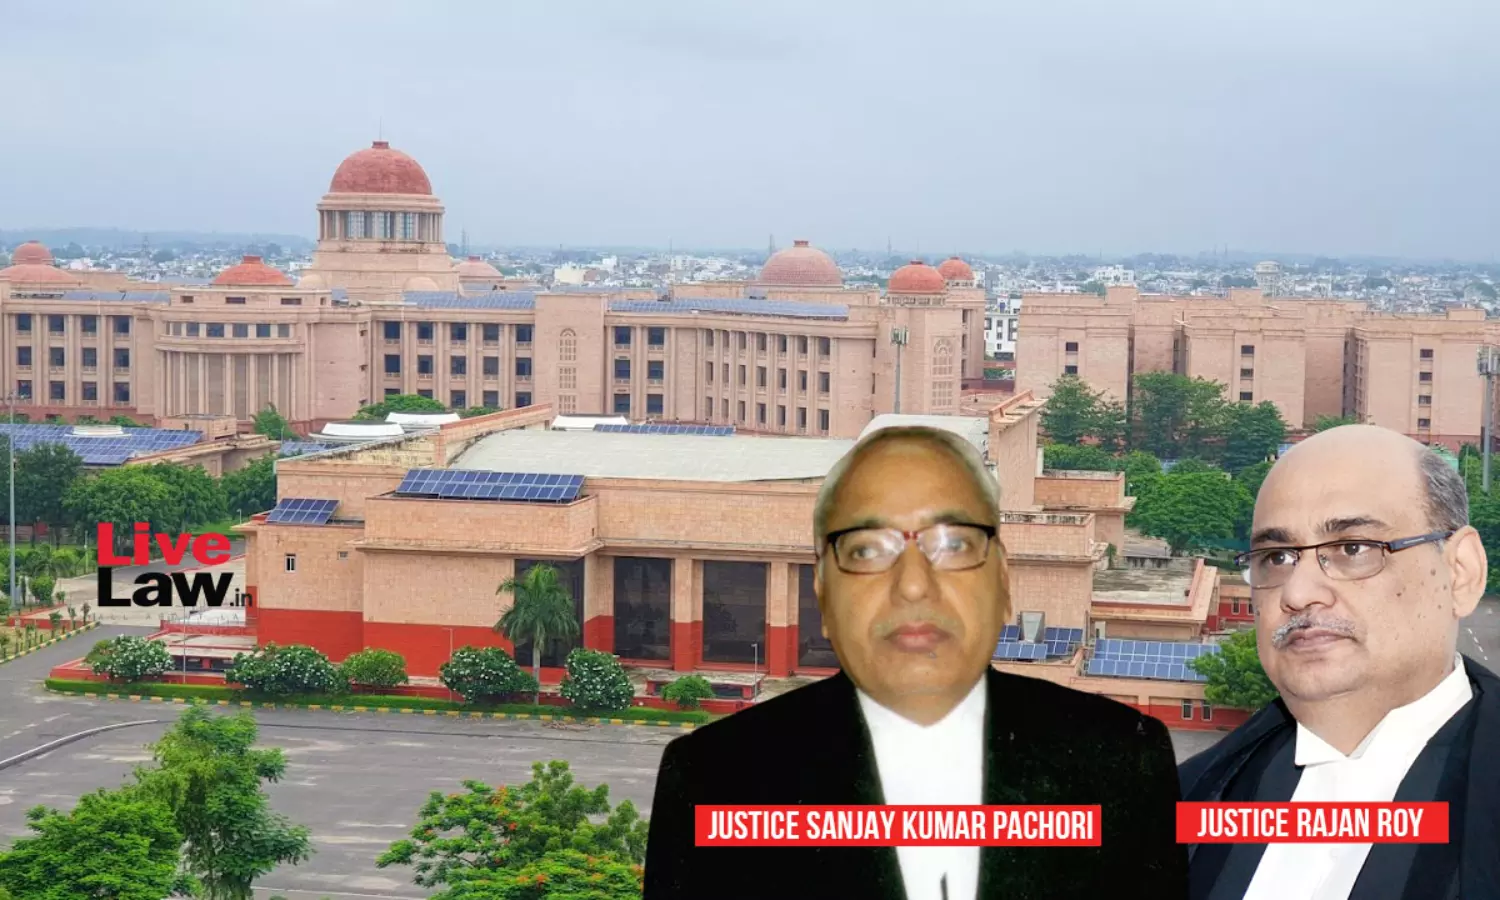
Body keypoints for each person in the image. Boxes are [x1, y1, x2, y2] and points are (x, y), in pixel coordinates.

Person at [645, 425, 1187, 899]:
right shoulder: (714, 776)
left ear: (1002, 582)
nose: (911, 585)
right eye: (866, 550)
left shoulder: (1124, 760)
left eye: (953, 544)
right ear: (823, 596)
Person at [1179, 424, 1500, 899]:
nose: (1298, 592)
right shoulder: (1189, 799)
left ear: (1460, 573)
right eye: (1277, 557)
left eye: (1354, 549)